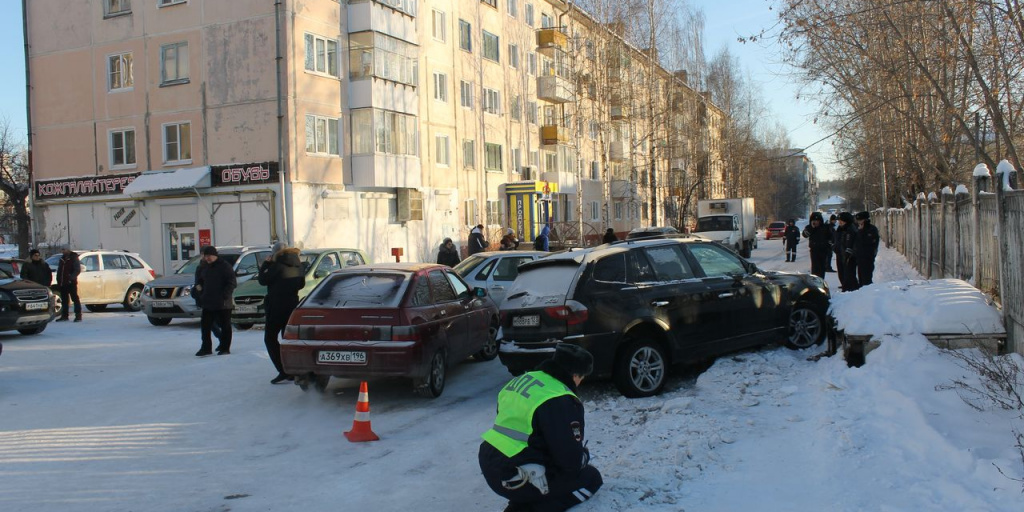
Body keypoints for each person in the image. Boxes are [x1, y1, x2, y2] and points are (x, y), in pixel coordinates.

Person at [479, 343, 603, 512]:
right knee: (591, 478)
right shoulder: (560, 398)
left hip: (490, 465)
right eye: (582, 377)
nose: (580, 382)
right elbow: (570, 462)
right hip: (517, 477)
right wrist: (584, 456)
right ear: (575, 375)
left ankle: (524, 498)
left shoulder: (523, 380)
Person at [258, 242, 305, 384]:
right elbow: (301, 285)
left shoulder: (276, 266)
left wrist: (265, 265)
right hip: (292, 306)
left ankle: (283, 370)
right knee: (288, 341)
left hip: (276, 307)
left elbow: (262, 280)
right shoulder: (299, 265)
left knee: (270, 338)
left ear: (276, 254)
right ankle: (292, 370)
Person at [193, 246, 237, 356]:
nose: (207, 258)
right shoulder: (204, 267)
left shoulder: (225, 266)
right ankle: (206, 348)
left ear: (215, 255)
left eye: (209, 256)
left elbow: (232, 282)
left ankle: (225, 347)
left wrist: (224, 296)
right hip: (208, 302)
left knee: (225, 326)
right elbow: (199, 282)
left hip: (223, 303)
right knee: (205, 326)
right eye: (205, 256)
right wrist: (200, 292)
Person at [55, 245, 82, 322]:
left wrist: (71, 278)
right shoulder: (62, 259)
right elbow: (60, 270)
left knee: (75, 299)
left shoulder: (73, 258)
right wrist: (58, 280)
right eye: (62, 250)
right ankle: (64, 315)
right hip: (63, 283)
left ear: (68, 250)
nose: (62, 251)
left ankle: (78, 315)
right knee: (64, 300)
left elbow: (77, 270)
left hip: (71, 283)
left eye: (64, 249)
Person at [853, 211, 880, 287]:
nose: (858, 222)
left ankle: (868, 292)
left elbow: (870, 242)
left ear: (865, 220)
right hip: (859, 257)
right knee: (860, 277)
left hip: (868, 257)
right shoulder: (858, 229)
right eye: (858, 220)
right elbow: (856, 242)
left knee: (867, 278)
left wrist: (861, 231)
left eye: (860, 220)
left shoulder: (871, 229)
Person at [801, 212, 831, 278]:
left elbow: (831, 237)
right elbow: (805, 235)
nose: (816, 222)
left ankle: (821, 281)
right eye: (814, 221)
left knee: (822, 267)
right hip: (814, 250)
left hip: (823, 250)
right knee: (815, 267)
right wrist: (811, 227)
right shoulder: (809, 227)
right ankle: (815, 281)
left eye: (817, 221)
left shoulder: (825, 227)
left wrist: (828, 245)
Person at [835, 212, 859, 292]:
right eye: (839, 221)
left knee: (849, 274)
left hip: (849, 256)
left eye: (841, 221)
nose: (839, 222)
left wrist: (850, 252)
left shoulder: (851, 229)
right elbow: (836, 240)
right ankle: (845, 287)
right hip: (840, 254)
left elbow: (854, 243)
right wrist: (834, 247)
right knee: (841, 273)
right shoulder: (840, 229)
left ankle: (851, 289)